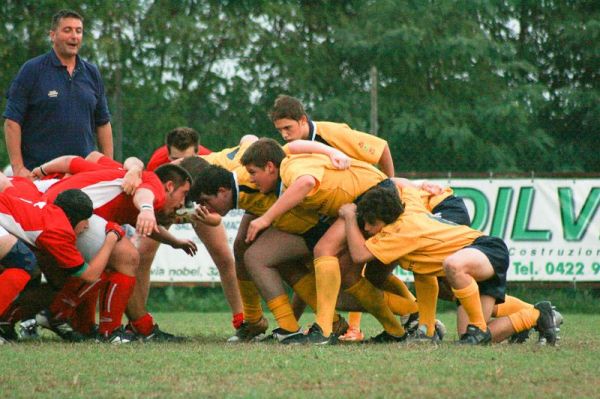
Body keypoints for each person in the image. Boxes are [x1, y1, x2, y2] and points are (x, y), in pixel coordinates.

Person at [338, 184, 560, 345]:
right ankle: (536, 315)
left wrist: (349, 216)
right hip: (474, 257)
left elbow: (358, 256)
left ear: (386, 219)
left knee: (452, 264)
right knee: (470, 339)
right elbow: (403, 187)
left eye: (370, 222)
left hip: (485, 248)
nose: (366, 228)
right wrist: (425, 186)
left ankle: (478, 328)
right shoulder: (409, 208)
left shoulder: (397, 233)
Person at [0, 175, 121, 343]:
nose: (87, 226)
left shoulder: (47, 210)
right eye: (85, 219)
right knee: (24, 262)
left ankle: (5, 321)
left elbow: (8, 185)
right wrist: (112, 237)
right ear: (72, 218)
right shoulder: (59, 230)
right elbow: (91, 275)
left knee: (37, 275)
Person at [3, 9, 112, 178]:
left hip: (83, 176)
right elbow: (12, 122)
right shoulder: (32, 70)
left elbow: (103, 124)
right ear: (52, 35)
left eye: (79, 31)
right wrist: (18, 168)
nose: (74, 36)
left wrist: (108, 167)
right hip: (40, 175)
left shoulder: (92, 73)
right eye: (67, 30)